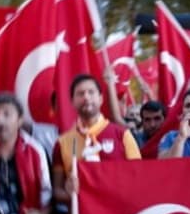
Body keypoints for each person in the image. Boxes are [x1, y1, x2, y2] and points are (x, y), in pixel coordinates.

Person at [52, 74, 140, 204]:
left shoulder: (122, 134)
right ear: (72, 101)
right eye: (80, 94)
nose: (86, 97)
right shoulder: (62, 143)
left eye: (91, 92)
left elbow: (139, 177)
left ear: (101, 99)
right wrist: (70, 194)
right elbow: (56, 191)